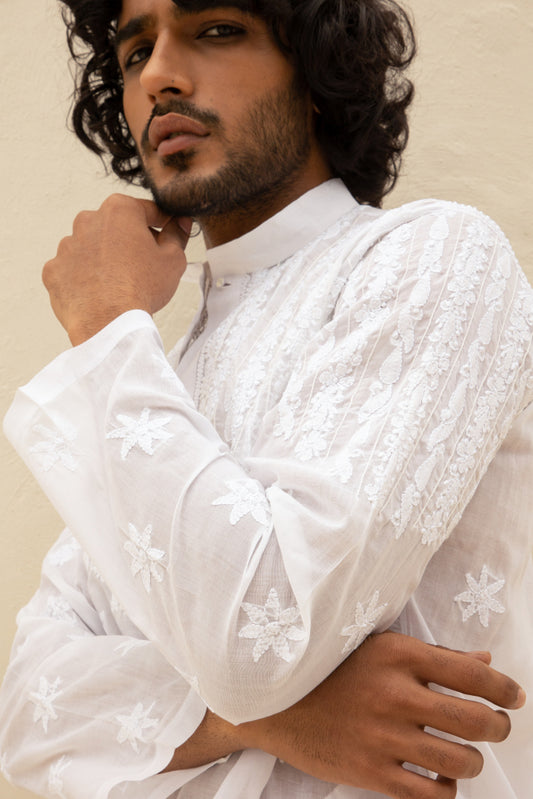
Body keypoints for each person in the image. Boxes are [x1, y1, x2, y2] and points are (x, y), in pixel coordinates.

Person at [0, 0, 531, 798]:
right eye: (135, 51)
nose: (158, 75)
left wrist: (106, 323)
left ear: (315, 72)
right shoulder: (154, 377)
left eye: (216, 30)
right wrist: (263, 721)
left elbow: (264, 636)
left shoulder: (435, 259)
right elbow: (27, 712)